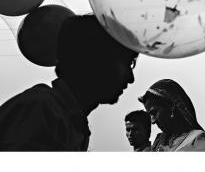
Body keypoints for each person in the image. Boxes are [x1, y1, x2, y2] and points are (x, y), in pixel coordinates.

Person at [0, 14, 138, 151]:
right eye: (126, 63)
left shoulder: (69, 121)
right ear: (96, 59)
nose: (130, 78)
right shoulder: (42, 111)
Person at [138, 79, 205, 151]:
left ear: (171, 107)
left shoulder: (197, 138)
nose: (152, 121)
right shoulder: (158, 141)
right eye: (150, 115)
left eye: (154, 112)